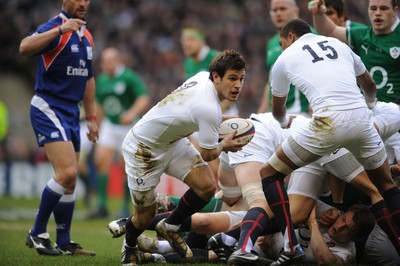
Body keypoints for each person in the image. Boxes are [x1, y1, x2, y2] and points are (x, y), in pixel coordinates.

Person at [229, 19, 400, 265]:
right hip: (362, 120)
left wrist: (287, 121)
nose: (282, 47)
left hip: (326, 124)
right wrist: (370, 107)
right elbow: (370, 86)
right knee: (386, 187)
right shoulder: (337, 44)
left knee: (269, 173)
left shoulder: (285, 59)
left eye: (282, 42)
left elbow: (278, 112)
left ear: (290, 36)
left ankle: (291, 245)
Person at [119, 49, 248, 265]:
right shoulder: (209, 108)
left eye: (241, 79)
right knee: (144, 216)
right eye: (232, 78)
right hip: (143, 150)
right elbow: (208, 154)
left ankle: (170, 225)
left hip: (172, 142)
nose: (238, 85)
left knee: (206, 187)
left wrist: (219, 120)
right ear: (216, 76)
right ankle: (130, 247)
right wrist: (225, 145)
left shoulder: (201, 78)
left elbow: (189, 112)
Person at [19, 0, 98, 256]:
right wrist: (60, 31)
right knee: (66, 172)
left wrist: (92, 117)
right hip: (48, 105)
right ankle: (37, 232)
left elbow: (88, 79)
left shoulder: (87, 35)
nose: (84, 3)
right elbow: (24, 47)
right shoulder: (54, 27)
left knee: (71, 181)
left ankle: (64, 242)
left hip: (72, 111)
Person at [88, 47, 151, 219]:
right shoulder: (101, 80)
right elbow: (100, 104)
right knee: (100, 161)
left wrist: (131, 113)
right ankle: (102, 205)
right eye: (103, 62)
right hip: (110, 124)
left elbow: (143, 97)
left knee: (126, 168)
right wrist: (96, 125)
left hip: (129, 127)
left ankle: (124, 206)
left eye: (109, 61)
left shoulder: (129, 77)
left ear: (117, 61)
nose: (105, 65)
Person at [309, 0, 400, 103]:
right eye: (373, 8)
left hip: (395, 111)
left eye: (384, 8)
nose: (378, 13)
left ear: (395, 11)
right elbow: (329, 31)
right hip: (369, 109)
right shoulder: (362, 35)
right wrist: (318, 13)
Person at [257, 0, 311, 115]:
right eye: (274, 10)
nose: (278, 13)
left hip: (299, 114)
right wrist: (260, 114)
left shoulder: (309, 36)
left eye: (282, 9)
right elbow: (271, 81)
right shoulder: (272, 43)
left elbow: (319, 71)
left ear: (296, 11)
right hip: (275, 116)